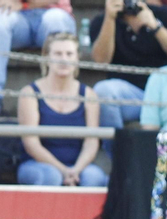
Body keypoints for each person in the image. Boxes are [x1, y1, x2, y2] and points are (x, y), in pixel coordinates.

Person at [16, 33, 106, 187]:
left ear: (77, 58)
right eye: (58, 53)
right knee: (51, 177)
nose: (64, 59)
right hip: (37, 164)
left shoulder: (89, 95)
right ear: (46, 57)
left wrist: (76, 170)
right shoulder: (30, 93)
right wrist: (63, 170)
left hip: (78, 165)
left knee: (94, 178)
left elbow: (91, 142)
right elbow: (31, 144)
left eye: (69, 54)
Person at [90, 0, 167, 133]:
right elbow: (101, 61)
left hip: (164, 95)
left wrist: (155, 26)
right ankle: (116, 150)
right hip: (129, 97)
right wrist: (110, 19)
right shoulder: (101, 21)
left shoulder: (164, 14)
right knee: (103, 90)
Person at [0, 0, 78, 118]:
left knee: (55, 19)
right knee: (0, 16)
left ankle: (61, 98)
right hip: (19, 21)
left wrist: (23, 4)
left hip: (53, 15)